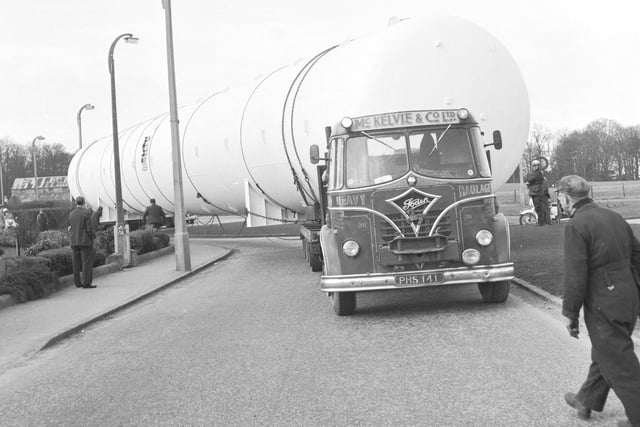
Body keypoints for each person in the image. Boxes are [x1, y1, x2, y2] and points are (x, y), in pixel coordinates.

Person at [556, 175, 640, 427]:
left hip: (604, 302)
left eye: (559, 196)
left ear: (566, 198)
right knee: (606, 351)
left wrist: (571, 314)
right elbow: (637, 257)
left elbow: (575, 275)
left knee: (619, 362)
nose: (558, 201)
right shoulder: (614, 217)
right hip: (628, 298)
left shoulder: (576, 225)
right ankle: (586, 400)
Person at [68, 196, 96, 289]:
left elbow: (71, 227)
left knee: (76, 263)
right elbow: (89, 228)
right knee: (86, 262)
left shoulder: (71, 214)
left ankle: (77, 283)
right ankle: (86, 283)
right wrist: (93, 236)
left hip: (74, 241)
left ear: (76, 203)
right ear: (84, 203)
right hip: (85, 241)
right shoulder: (86, 213)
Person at [525, 159, 545, 226]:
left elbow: (530, 179)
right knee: (537, 207)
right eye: (534, 165)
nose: (535, 167)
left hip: (537, 192)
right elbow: (528, 178)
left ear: (538, 166)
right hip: (534, 192)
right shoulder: (534, 173)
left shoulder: (539, 173)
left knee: (538, 207)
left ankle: (541, 222)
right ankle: (540, 221)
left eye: (536, 165)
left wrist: (530, 179)